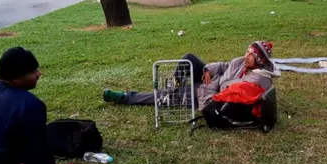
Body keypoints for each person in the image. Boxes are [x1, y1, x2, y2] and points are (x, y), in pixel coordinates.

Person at [103, 41, 280, 109]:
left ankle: (126, 97)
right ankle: (177, 84)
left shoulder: (258, 79)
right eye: (248, 52)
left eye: (251, 55)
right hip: (210, 81)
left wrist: (208, 84)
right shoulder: (241, 62)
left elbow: (229, 93)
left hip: (210, 94)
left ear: (260, 60)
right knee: (189, 58)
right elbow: (224, 65)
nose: (246, 56)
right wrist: (207, 70)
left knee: (164, 96)